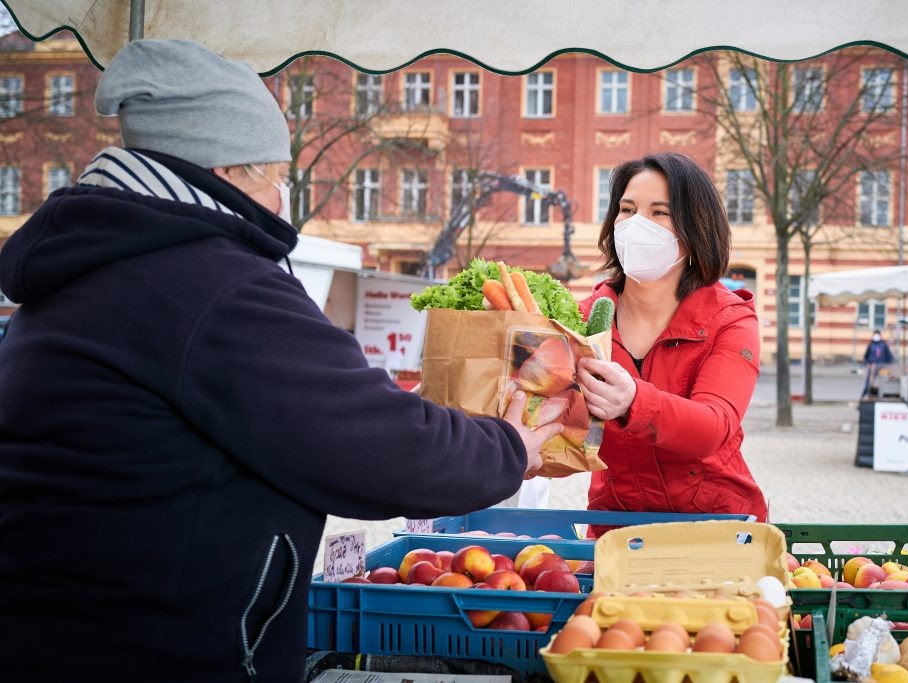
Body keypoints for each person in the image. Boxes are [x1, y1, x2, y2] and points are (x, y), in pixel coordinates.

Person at [0, 40, 562, 682]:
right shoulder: (211, 284)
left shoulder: (91, 270)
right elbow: (369, 442)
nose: (279, 191)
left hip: (57, 635)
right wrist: (506, 448)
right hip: (154, 652)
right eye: (273, 170)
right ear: (229, 169)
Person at [574, 152, 768, 527]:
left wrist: (632, 401)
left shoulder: (729, 320)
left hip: (715, 530)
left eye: (659, 213)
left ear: (694, 228)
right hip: (618, 530)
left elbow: (713, 428)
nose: (636, 225)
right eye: (627, 210)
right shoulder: (582, 320)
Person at [861, 329, 895, 398]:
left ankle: (877, 396)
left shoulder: (883, 345)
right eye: (875, 335)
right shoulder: (871, 345)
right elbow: (866, 356)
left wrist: (887, 366)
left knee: (880, 383)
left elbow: (889, 356)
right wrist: (867, 363)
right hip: (872, 366)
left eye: (877, 335)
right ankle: (864, 397)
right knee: (869, 383)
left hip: (881, 367)